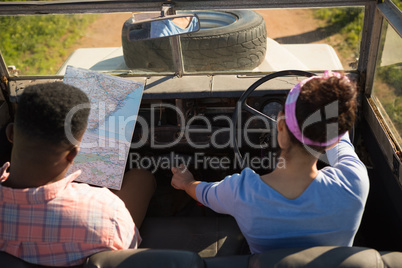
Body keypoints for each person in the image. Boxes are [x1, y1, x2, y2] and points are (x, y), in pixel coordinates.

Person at [171, 71, 369, 253]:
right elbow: (342, 142)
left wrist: (186, 182)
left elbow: (204, 193)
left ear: (280, 127)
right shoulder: (354, 183)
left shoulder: (241, 191)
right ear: (331, 139)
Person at [0, 82, 156, 266]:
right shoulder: (108, 212)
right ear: (73, 154)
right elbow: (127, 256)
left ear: (10, 133)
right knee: (141, 178)